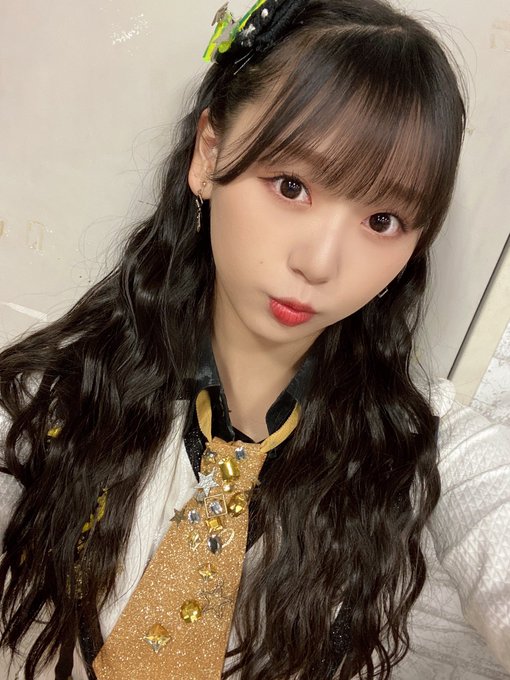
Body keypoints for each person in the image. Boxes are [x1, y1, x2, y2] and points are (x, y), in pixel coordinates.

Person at [0, 0, 509, 678]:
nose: (320, 264)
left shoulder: (424, 452)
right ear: (209, 156)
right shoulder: (56, 393)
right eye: (291, 186)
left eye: (382, 220)